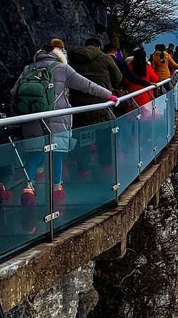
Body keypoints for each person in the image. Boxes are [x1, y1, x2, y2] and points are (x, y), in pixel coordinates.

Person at [12, 40, 117, 206]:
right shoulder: (62, 68)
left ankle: (28, 188)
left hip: (31, 118)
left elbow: (14, 92)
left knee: (34, 154)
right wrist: (109, 96)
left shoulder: (28, 68)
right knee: (57, 154)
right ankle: (57, 190)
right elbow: (87, 85)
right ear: (60, 54)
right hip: (56, 119)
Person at [68, 38, 123, 174]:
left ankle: (83, 169)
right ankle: (106, 167)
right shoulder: (105, 58)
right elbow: (118, 77)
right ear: (98, 47)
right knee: (104, 137)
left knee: (83, 138)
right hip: (101, 103)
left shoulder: (72, 59)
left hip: (78, 105)